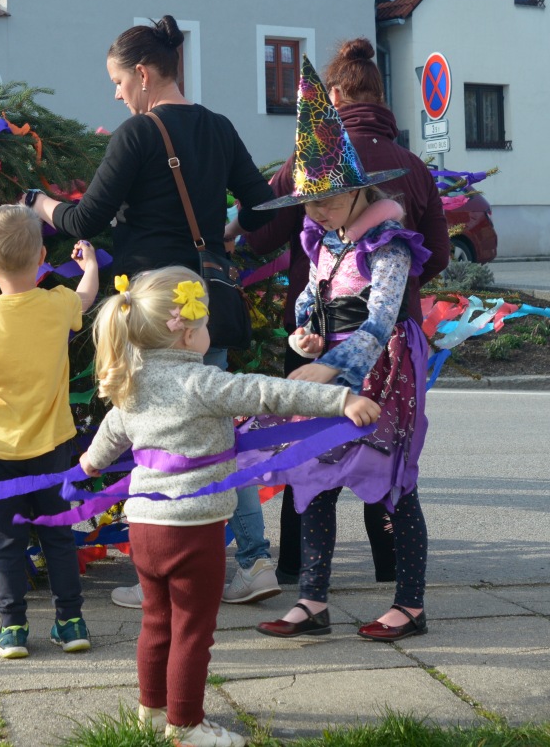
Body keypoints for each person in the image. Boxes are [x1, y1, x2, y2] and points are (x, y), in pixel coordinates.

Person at [26, 15, 283, 608]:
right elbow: (262, 208)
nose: (117, 95)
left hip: (149, 306)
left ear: (143, 74)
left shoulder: (137, 134)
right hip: (204, 303)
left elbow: (85, 219)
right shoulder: (218, 127)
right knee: (218, 429)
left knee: (156, 435)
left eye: (119, 82)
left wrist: (37, 203)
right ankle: (253, 561)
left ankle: (161, 577)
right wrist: (222, 235)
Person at [78, 267, 378, 747]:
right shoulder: (203, 382)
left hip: (145, 528)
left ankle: (151, 716)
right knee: (192, 631)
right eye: (207, 326)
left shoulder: (131, 383)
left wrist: (89, 464)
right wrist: (341, 398)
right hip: (193, 530)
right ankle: (186, 726)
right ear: (189, 334)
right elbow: (269, 392)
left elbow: (107, 439)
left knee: (156, 624)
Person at [233, 37, 449, 588]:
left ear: (332, 96)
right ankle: (386, 569)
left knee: (307, 453)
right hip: (371, 339)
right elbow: (440, 252)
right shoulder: (413, 166)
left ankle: (298, 569)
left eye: (323, 203)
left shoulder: (310, 161)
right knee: (382, 453)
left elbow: (261, 236)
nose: (318, 211)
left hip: (354, 341)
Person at [0, 205, 100, 658]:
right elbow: (86, 296)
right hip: (53, 448)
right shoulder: (57, 303)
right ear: (41, 258)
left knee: (5, 542)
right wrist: (90, 265)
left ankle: (12, 628)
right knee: (58, 535)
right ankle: (71, 623)